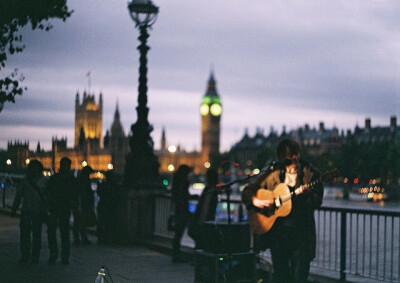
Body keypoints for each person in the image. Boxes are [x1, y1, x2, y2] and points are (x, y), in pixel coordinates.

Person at [242, 138, 324, 283]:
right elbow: (248, 190)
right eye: (289, 159)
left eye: (295, 156)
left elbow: (318, 201)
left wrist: (309, 194)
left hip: (302, 236)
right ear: (281, 159)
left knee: (300, 277)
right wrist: (257, 201)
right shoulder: (273, 174)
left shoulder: (311, 174)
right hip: (278, 237)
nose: (294, 160)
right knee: (281, 276)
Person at [11, 160, 47, 264]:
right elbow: (19, 196)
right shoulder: (25, 181)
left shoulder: (44, 181)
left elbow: (48, 197)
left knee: (36, 235)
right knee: (25, 235)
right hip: (26, 211)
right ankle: (25, 255)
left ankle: (34, 256)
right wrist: (14, 208)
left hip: (38, 212)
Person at [46, 157, 75, 264]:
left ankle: (60, 255)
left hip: (62, 209)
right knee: (56, 232)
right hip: (56, 208)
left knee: (63, 233)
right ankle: (59, 254)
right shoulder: (69, 179)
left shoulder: (56, 178)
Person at [188, 168, 219, 249]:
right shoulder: (213, 190)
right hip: (205, 218)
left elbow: (203, 204)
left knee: (199, 237)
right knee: (202, 238)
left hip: (203, 217)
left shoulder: (208, 189)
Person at [171, 164, 196, 263]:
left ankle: (176, 254)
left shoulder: (176, 180)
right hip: (183, 210)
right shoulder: (183, 181)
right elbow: (184, 195)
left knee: (178, 233)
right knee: (191, 229)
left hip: (179, 209)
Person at [73, 165, 94, 245]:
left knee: (78, 221)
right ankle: (82, 238)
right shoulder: (85, 180)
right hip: (82, 203)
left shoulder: (79, 180)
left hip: (80, 203)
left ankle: (77, 238)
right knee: (81, 222)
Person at [97, 170, 118, 244]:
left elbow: (99, 192)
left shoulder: (103, 184)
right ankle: (109, 238)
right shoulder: (114, 186)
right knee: (109, 222)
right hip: (110, 205)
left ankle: (102, 238)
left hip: (103, 205)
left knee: (102, 222)